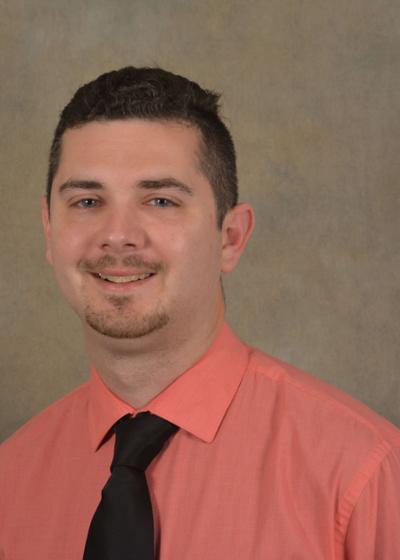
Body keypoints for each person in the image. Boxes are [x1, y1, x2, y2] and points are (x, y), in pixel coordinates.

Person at [0, 67, 399, 560]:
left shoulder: (363, 477)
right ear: (48, 231)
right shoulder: (11, 482)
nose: (118, 235)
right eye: (87, 201)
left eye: (160, 200)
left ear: (230, 238)